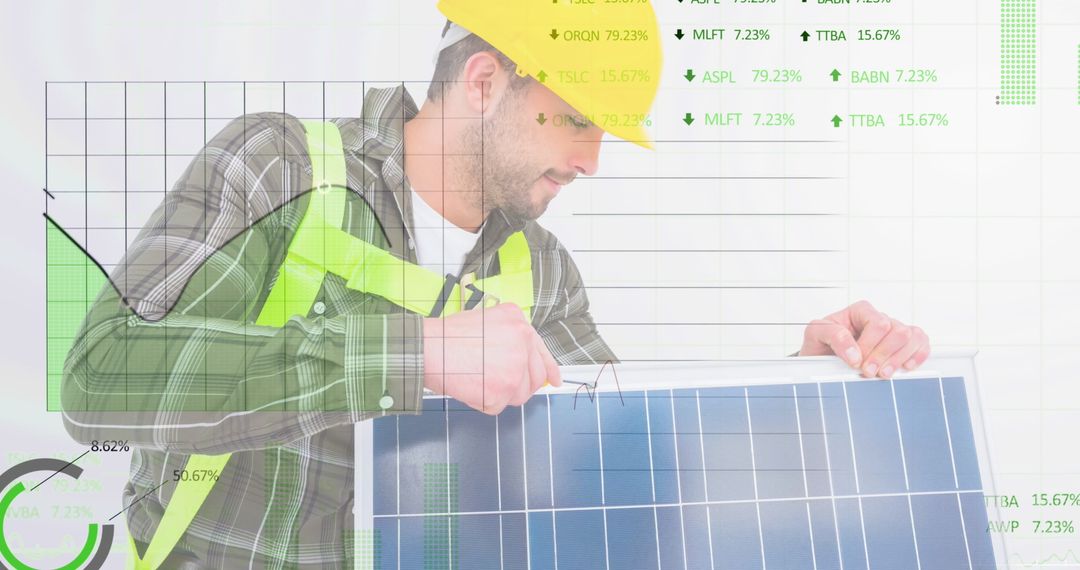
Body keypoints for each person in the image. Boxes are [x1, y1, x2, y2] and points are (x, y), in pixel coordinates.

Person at [60, 8, 929, 570]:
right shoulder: (279, 166)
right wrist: (412, 354)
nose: (592, 160)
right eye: (579, 120)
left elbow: (622, 479)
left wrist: (801, 386)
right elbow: (101, 379)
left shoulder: (541, 271)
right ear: (484, 83)